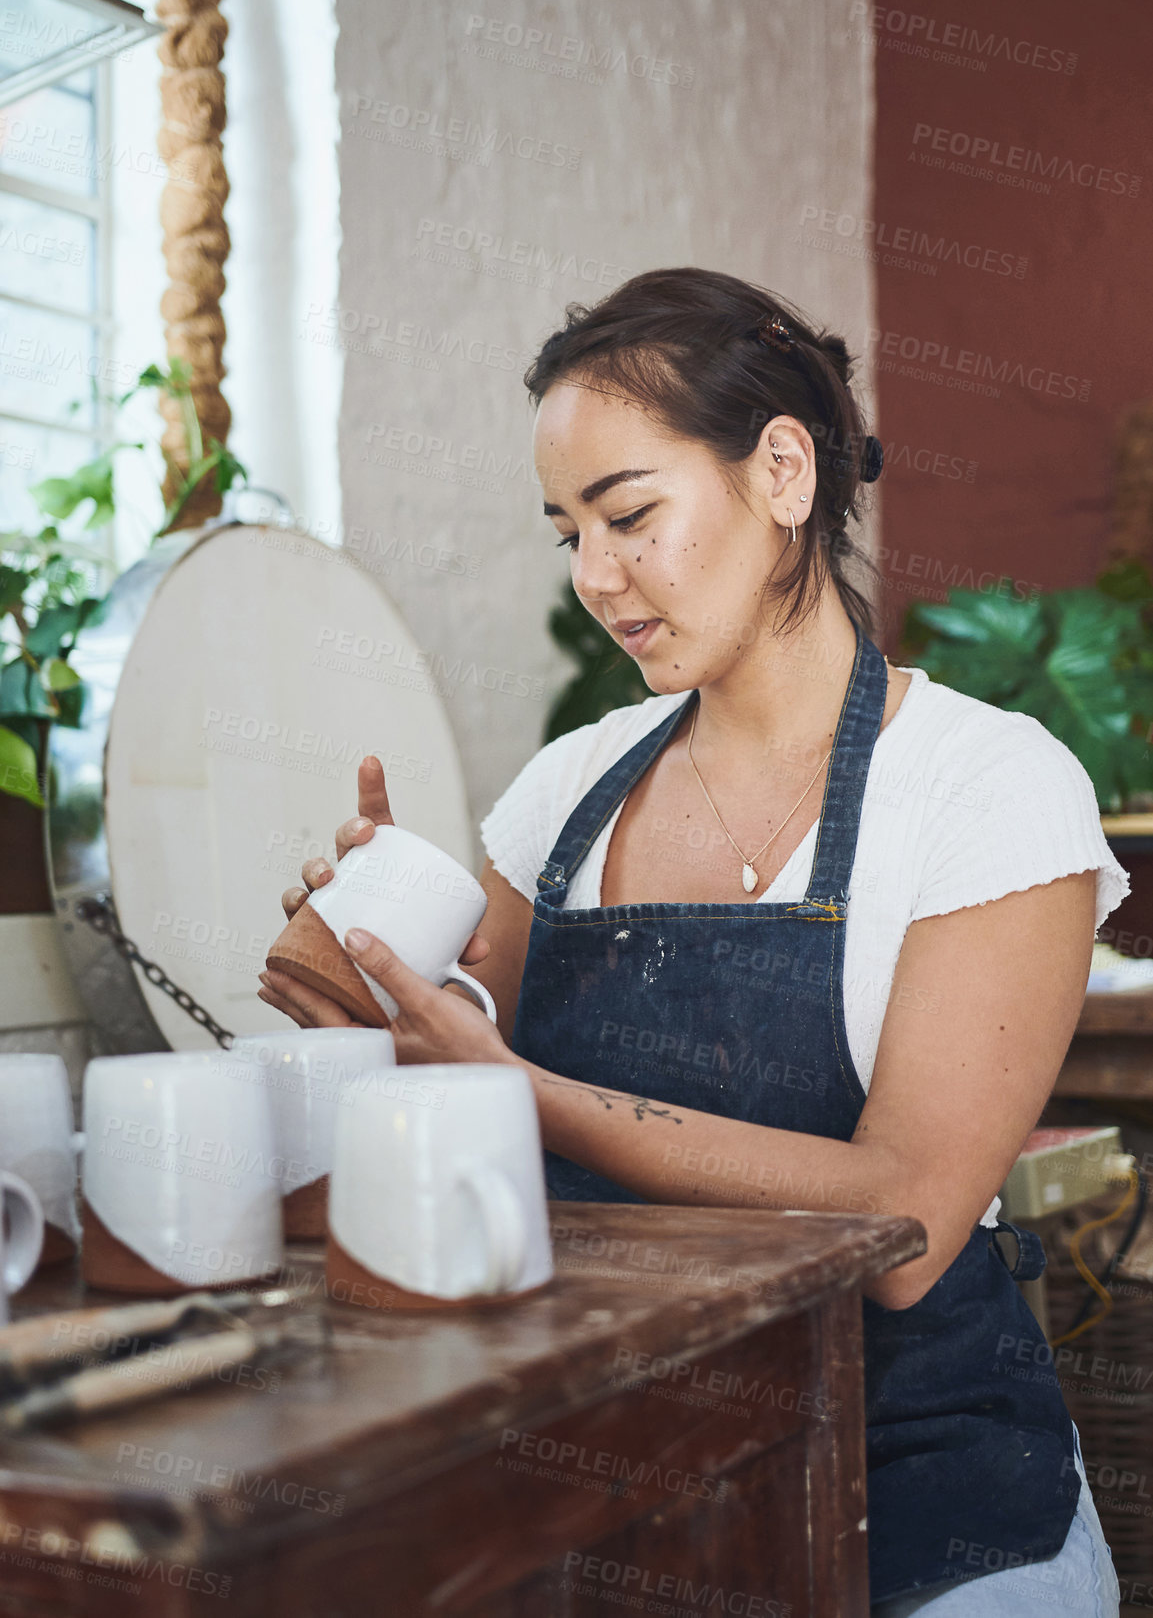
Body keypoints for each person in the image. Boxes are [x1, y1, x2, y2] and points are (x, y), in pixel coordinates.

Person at [259, 267, 1127, 1614]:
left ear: (781, 470)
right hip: (608, 1475)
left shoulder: (989, 787)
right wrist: (363, 977)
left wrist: (525, 1095)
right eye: (565, 535)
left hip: (915, 1493)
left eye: (630, 516)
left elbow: (905, 1211)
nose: (597, 578)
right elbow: (438, 1087)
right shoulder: (567, 791)